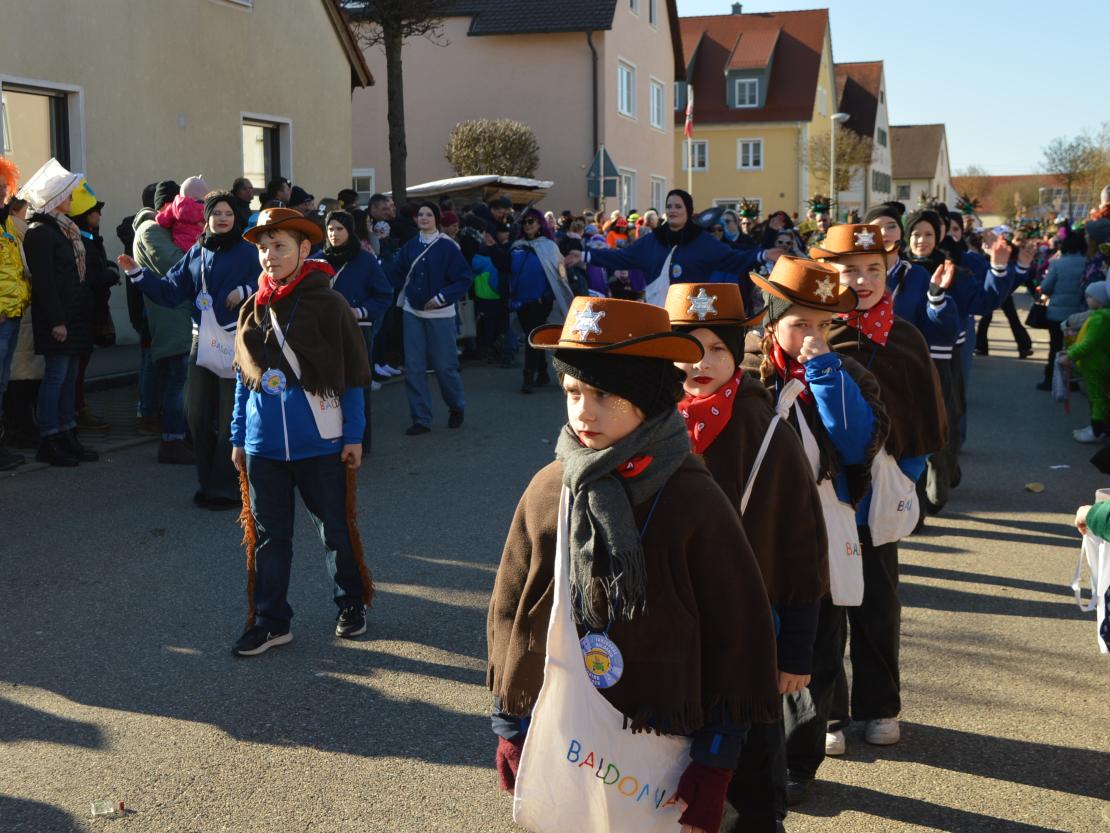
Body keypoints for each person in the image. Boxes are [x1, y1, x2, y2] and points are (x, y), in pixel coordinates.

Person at [488, 296, 780, 833]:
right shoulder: (551, 488)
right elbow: (512, 607)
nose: (584, 412)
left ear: (648, 400)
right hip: (568, 723)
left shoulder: (693, 500)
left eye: (606, 395)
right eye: (573, 392)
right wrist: (512, 722)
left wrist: (717, 757)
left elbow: (738, 633)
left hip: (666, 735)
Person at [665, 281, 830, 832]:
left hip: (749, 636)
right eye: (688, 347)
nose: (701, 363)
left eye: (717, 348)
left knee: (750, 774)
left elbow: (801, 546)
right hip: (671, 636)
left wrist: (796, 651)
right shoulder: (648, 424)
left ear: (738, 353)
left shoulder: (766, 432)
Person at [789, 232, 947, 787]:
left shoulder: (904, 337)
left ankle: (880, 707)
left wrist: (906, 479)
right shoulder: (810, 332)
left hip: (875, 504)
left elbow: (925, 420)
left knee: (878, 607)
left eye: (873, 269)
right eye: (848, 269)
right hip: (822, 505)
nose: (861, 281)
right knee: (825, 615)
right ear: (827, 273)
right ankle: (828, 712)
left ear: (889, 271)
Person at [228, 207, 373, 656]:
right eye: (264, 249)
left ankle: (351, 603)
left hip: (320, 443)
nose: (270, 257)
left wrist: (354, 435)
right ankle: (272, 621)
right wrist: (237, 437)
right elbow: (242, 379)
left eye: (280, 247)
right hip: (263, 447)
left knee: (334, 527)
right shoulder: (252, 309)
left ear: (304, 249)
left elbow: (352, 375)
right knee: (270, 537)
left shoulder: (329, 304)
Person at [119, 191, 259, 509]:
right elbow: (170, 292)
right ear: (206, 218)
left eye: (228, 213)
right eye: (216, 213)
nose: (222, 218)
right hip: (200, 341)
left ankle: (229, 488)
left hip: (235, 341)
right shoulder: (197, 251)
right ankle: (208, 484)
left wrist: (245, 290)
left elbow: (266, 280)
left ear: (236, 218)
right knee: (195, 413)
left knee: (228, 419)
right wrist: (136, 274)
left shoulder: (248, 251)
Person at [564, 190, 778, 307]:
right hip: (657, 311)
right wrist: (584, 255)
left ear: (688, 210)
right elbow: (622, 257)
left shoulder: (702, 241)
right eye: (669, 206)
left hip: (692, 314)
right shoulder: (652, 241)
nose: (672, 210)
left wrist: (762, 254)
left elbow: (732, 259)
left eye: (678, 206)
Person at [19, 159, 99, 466]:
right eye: (66, 194)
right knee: (55, 377)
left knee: (67, 378)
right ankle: (49, 438)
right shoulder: (41, 231)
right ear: (53, 199)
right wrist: (57, 320)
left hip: (72, 317)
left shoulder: (65, 229)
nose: (71, 199)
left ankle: (67, 433)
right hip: (58, 319)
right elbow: (44, 282)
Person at [385, 202, 473, 435]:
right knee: (414, 368)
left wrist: (442, 297)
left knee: (445, 367)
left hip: (441, 314)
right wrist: (380, 248)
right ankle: (421, 418)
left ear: (436, 218)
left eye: (428, 214)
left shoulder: (448, 246)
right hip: (412, 311)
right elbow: (394, 273)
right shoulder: (410, 246)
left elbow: (463, 278)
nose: (423, 218)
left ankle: (456, 406)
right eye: (420, 215)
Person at [132, 181, 194, 465]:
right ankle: (172, 440)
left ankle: (181, 437)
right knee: (175, 384)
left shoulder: (162, 231)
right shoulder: (150, 231)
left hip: (179, 317)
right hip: (170, 318)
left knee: (182, 382)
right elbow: (177, 266)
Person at [323, 209, 392, 452]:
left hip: (357, 330)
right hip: (323, 331)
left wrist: (360, 311)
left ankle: (361, 441)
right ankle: (330, 438)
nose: (334, 234)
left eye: (339, 229)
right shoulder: (318, 259)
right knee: (327, 385)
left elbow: (384, 294)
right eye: (330, 229)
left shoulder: (365, 259)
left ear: (350, 231)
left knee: (357, 385)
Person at [66, 179, 121, 431]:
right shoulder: (82, 240)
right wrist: (108, 275)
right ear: (83, 215)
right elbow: (86, 278)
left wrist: (107, 267)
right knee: (77, 366)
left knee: (81, 364)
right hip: (84, 311)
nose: (99, 214)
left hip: (92, 309)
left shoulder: (89, 237)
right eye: (95, 210)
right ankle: (76, 410)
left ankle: (78, 408)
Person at [0, 156, 30, 470]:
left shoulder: (8, 222)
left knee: (3, 383)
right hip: (2, 316)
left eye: (2, 187)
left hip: (12, 314)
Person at [1038, 230, 1088, 390]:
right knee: (1075, 348)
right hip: (1080, 314)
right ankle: (1072, 382)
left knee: (1055, 347)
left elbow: (1045, 287)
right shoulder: (1088, 263)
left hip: (1057, 313)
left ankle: (1050, 381)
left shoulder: (1057, 263)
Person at [1061, 281, 1110, 443]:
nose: (1087, 299)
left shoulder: (1099, 319)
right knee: (1101, 396)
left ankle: (1096, 430)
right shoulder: (1102, 317)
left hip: (1095, 363)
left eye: (1090, 297)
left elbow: (1088, 343)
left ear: (1100, 299)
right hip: (1101, 361)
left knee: (1096, 397)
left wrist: (1070, 355)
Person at [157, 175, 209, 252]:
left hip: (180, 246)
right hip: (200, 245)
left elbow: (161, 220)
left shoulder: (176, 205)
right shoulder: (207, 209)